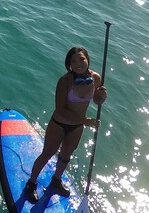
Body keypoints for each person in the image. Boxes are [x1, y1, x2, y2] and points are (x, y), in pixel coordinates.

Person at [24, 46, 108, 203]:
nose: (79, 63)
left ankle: (56, 180)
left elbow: (96, 100)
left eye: (82, 59)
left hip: (76, 127)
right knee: (48, 153)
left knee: (66, 156)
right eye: (74, 61)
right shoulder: (65, 81)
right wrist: (85, 121)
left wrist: (102, 97)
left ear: (88, 59)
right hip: (59, 124)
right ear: (69, 64)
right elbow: (60, 109)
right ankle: (31, 183)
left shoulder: (95, 78)